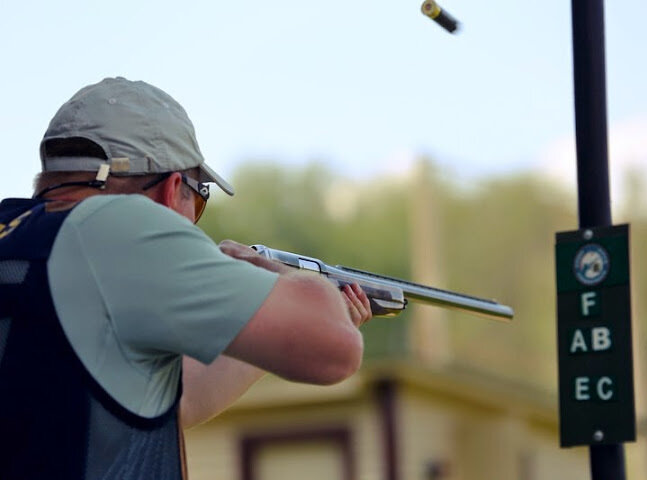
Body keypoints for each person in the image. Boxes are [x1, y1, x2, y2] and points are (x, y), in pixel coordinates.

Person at [0, 77, 372, 479]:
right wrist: (289, 281)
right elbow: (335, 350)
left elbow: (176, 398)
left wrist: (269, 314)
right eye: (196, 198)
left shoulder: (19, 238)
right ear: (171, 188)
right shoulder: (121, 226)